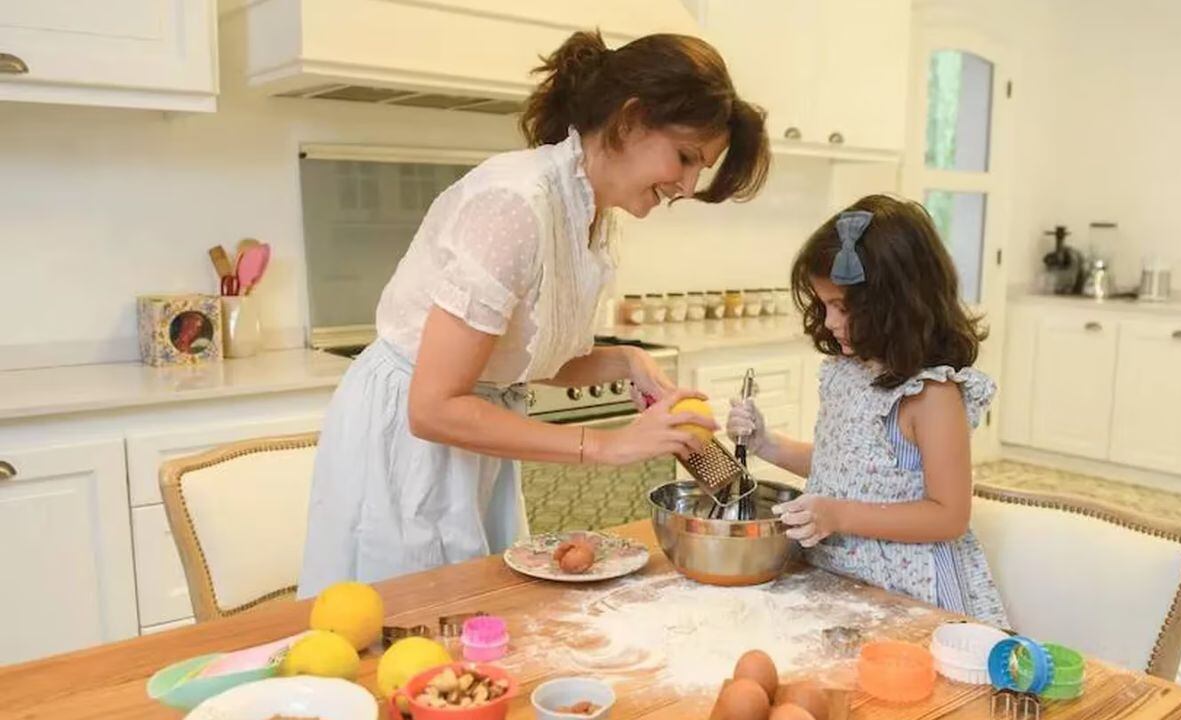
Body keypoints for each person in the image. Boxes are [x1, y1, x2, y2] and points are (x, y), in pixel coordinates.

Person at [298, 30, 771, 597]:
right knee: (401, 634)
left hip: (471, 443)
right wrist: (608, 445)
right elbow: (432, 407)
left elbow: (524, 356)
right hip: (408, 446)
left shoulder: (587, 211)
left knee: (473, 629)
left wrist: (626, 362)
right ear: (631, 119)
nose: (689, 185)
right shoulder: (515, 204)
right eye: (687, 157)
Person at [726, 195, 1008, 625]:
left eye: (843, 307)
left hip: (911, 593)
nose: (831, 322)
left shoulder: (931, 395)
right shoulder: (847, 371)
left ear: (900, 304)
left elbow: (949, 515)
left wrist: (838, 514)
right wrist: (766, 443)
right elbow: (844, 468)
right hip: (841, 575)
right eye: (823, 306)